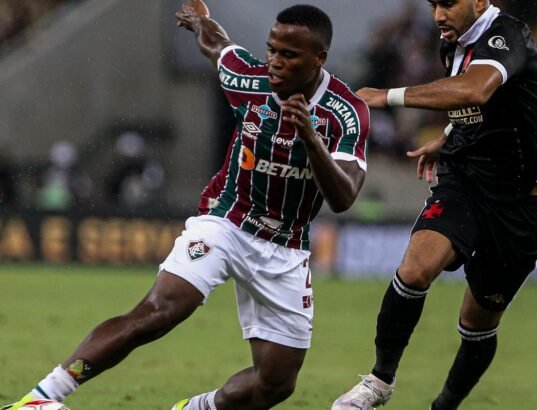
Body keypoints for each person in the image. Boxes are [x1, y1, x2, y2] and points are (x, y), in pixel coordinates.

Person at [2, 1, 369, 410]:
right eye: (271, 50)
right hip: (226, 222)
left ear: (319, 58)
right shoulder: (251, 79)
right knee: (160, 310)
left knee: (276, 383)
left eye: (289, 55)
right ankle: (43, 397)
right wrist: (200, 20)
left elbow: (344, 196)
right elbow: (218, 46)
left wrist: (310, 138)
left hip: (285, 247)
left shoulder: (345, 113)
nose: (275, 63)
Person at [332, 0, 537, 409]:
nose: (439, 15)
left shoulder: (508, 35)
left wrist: (386, 96)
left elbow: (477, 88)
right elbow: (477, 103)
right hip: (465, 181)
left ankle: (444, 406)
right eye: (434, 4)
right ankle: (379, 381)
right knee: (415, 269)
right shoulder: (454, 40)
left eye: (449, 3)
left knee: (477, 323)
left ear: (480, 1)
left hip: (521, 203)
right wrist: (448, 135)